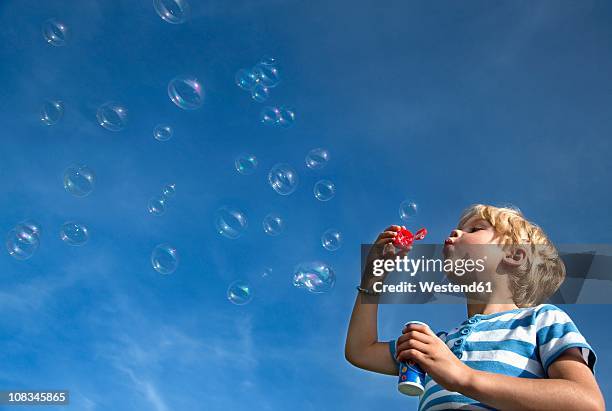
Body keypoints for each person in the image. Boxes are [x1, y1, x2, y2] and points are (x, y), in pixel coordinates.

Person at [345, 204, 605, 410]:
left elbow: (585, 402)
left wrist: (464, 377)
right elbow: (360, 350)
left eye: (475, 229)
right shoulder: (440, 344)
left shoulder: (541, 320)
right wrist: (373, 277)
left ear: (514, 255)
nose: (455, 233)